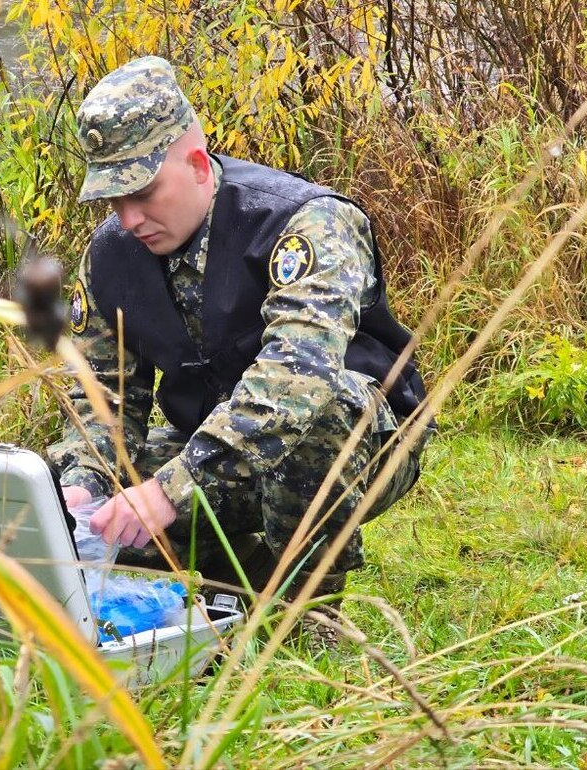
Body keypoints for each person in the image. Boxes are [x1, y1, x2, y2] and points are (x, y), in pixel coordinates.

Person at [48, 56, 430, 621]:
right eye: (113, 201)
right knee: (50, 490)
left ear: (199, 165)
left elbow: (296, 382)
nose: (128, 219)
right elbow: (100, 403)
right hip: (208, 447)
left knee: (315, 424)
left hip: (364, 439)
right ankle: (239, 572)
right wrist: (84, 490)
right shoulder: (108, 259)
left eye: (144, 193)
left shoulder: (306, 223)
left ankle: (311, 610)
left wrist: (166, 492)